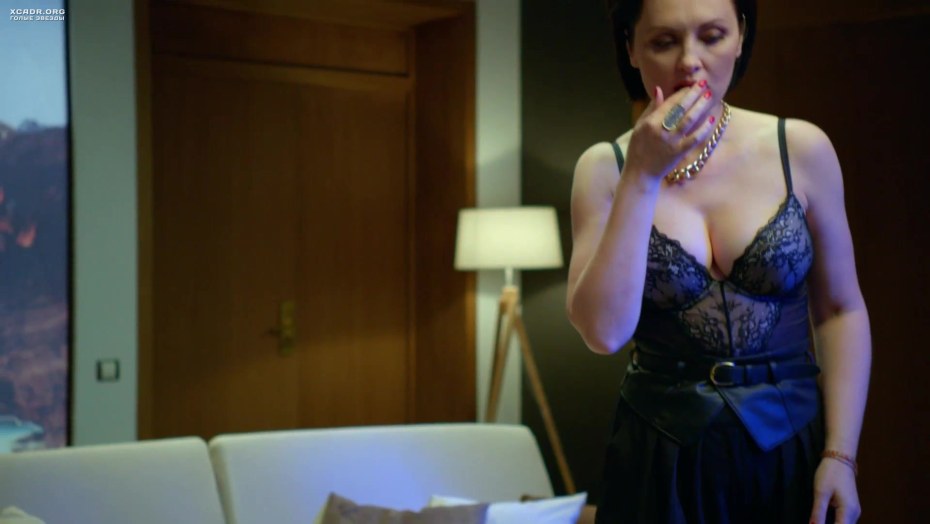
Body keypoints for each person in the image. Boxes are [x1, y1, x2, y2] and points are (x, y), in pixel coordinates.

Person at [565, 0, 872, 522]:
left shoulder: (799, 147)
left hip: (790, 444)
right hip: (657, 452)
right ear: (631, 48)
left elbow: (841, 310)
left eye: (712, 36)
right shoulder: (604, 169)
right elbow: (604, 333)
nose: (690, 61)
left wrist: (840, 455)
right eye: (664, 42)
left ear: (741, 34)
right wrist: (641, 174)